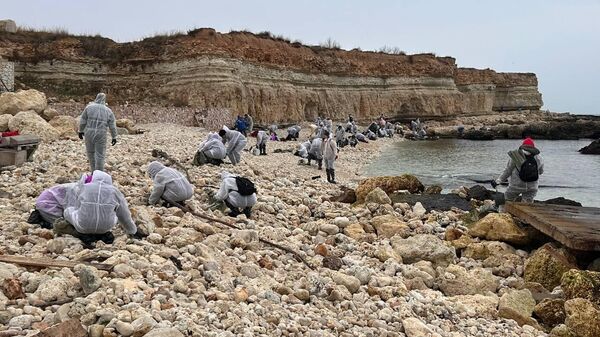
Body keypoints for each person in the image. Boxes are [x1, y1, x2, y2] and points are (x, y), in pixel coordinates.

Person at [57, 171, 144, 247]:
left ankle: (76, 231)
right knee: (116, 214)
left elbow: (77, 207)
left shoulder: (85, 188)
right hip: (105, 228)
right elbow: (124, 215)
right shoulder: (114, 191)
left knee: (68, 211)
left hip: (82, 226)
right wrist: (132, 231)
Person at [494, 137, 544, 204]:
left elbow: (508, 171)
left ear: (522, 146)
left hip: (516, 186)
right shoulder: (538, 157)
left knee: (507, 201)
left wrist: (499, 181)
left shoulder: (516, 155)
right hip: (532, 187)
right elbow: (541, 172)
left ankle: (504, 213)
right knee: (527, 205)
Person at [78, 93, 118, 172]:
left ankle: (93, 171)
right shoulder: (108, 111)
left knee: (90, 153)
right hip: (101, 133)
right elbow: (112, 125)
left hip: (89, 132)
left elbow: (83, 120)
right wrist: (114, 136)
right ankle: (99, 173)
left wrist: (81, 131)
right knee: (100, 154)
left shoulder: (89, 107)